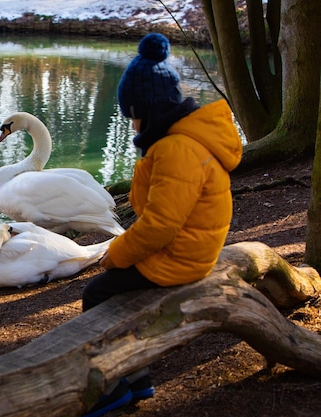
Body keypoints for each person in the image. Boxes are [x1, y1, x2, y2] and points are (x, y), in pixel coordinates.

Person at [81, 33, 242, 417]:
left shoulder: (176, 149)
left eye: (133, 115)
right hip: (194, 250)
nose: (131, 124)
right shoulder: (181, 140)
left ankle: (117, 385)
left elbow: (159, 226)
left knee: (98, 294)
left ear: (147, 110)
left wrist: (116, 254)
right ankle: (139, 378)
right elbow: (155, 209)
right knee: (112, 289)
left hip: (182, 257)